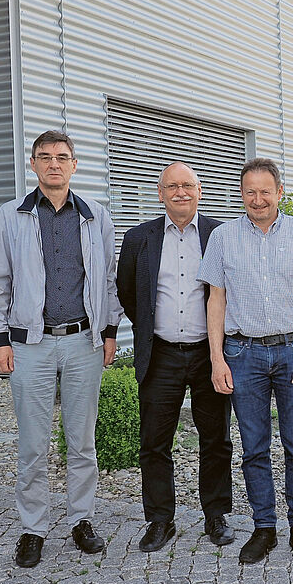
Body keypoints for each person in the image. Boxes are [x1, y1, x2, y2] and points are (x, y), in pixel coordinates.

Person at [0, 130, 121, 568]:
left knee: (81, 442)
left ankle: (81, 519)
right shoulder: (10, 216)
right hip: (29, 347)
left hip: (83, 342)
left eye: (62, 157)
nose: (54, 164)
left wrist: (110, 331)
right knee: (33, 445)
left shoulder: (96, 215)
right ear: (34, 165)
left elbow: (109, 282)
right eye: (45, 157)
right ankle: (33, 529)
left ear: (74, 165)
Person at [197, 158, 293, 564]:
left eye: (265, 191)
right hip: (242, 355)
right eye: (249, 192)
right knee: (254, 448)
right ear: (242, 194)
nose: (257, 199)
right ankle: (263, 528)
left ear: (279, 192)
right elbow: (216, 301)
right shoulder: (222, 237)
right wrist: (216, 359)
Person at [116, 162, 234, 553]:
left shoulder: (221, 234)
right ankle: (159, 520)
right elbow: (128, 294)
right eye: (172, 186)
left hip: (209, 354)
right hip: (161, 353)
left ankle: (215, 515)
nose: (180, 192)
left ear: (199, 190)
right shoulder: (139, 239)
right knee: (154, 442)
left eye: (187, 185)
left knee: (215, 439)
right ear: (160, 192)